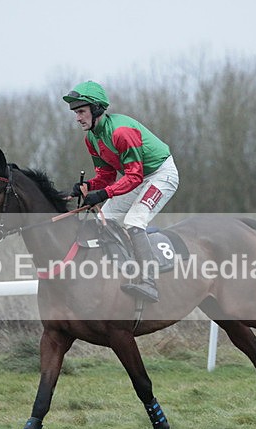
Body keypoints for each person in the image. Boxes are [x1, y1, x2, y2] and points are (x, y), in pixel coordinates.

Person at [63, 80, 179, 303]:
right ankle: (121, 271)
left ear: (96, 109)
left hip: (161, 175)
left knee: (135, 221)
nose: (77, 118)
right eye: (76, 113)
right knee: (105, 220)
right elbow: (106, 177)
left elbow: (134, 176)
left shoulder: (121, 132)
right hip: (137, 178)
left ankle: (149, 282)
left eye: (81, 112)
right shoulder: (91, 138)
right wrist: (87, 186)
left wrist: (104, 193)